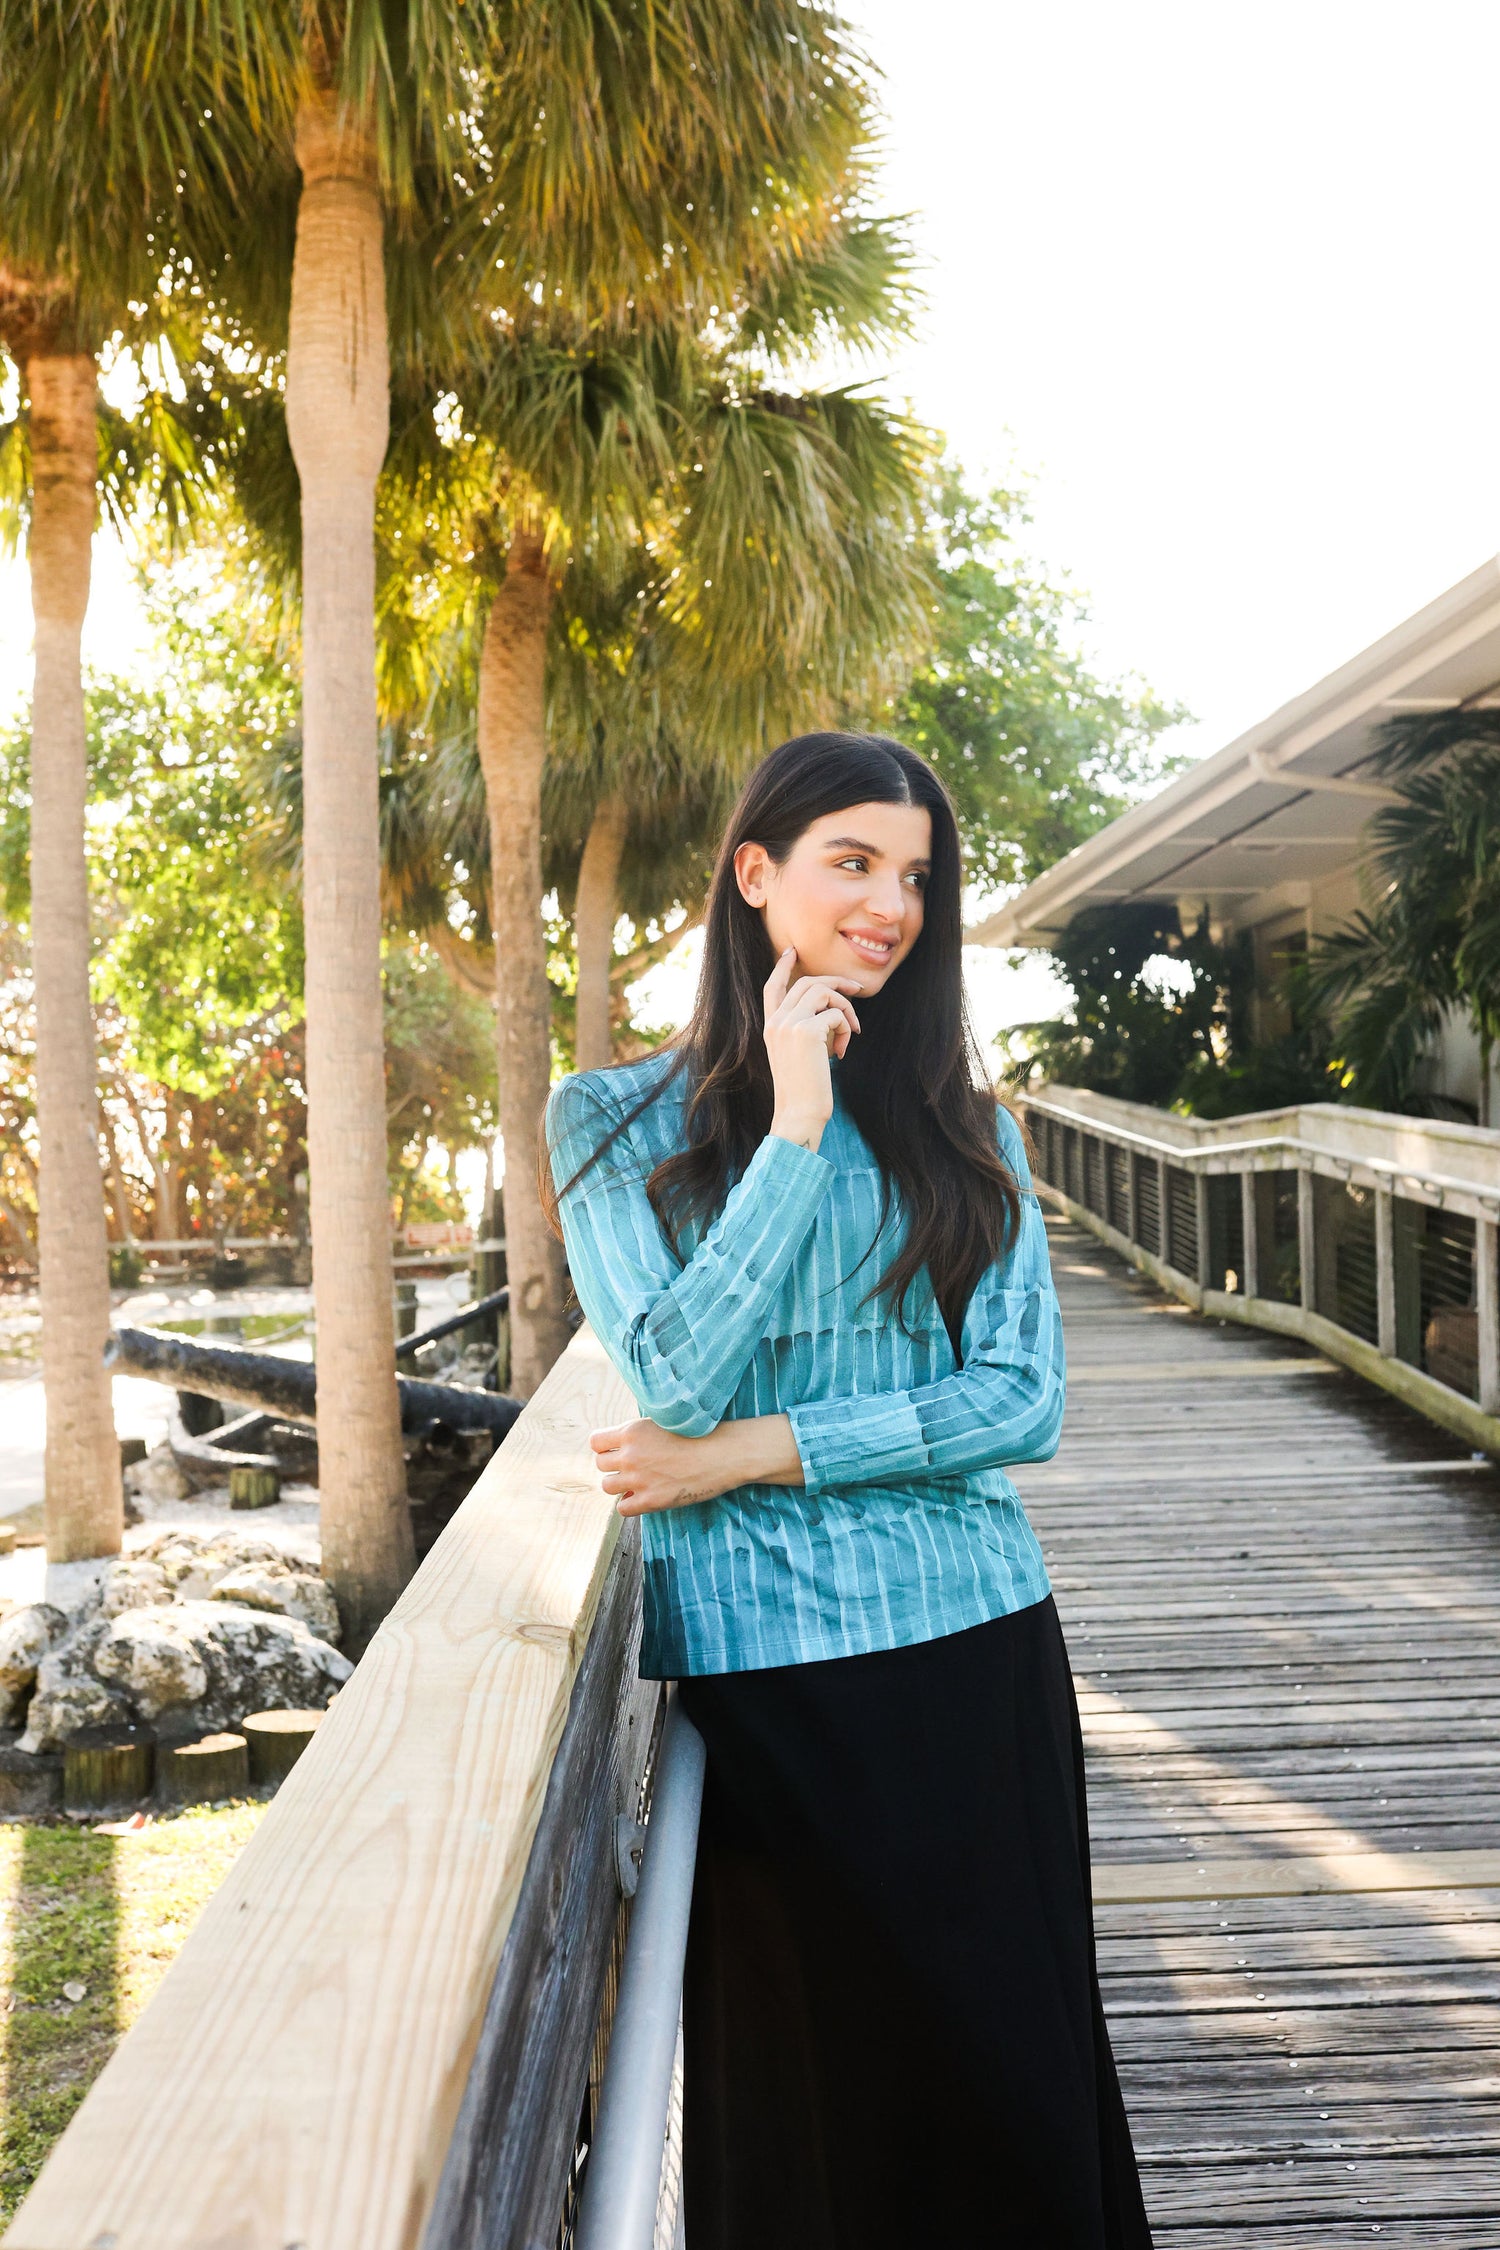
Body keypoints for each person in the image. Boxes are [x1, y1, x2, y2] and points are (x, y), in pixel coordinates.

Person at [545, 732, 1152, 2250]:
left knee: (1015, 2087)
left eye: (915, 877)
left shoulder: (966, 1123)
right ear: (757, 874)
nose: (891, 903)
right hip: (772, 1686)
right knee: (820, 2112)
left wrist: (759, 1451)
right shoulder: (612, 1121)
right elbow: (674, 1367)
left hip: (978, 1652)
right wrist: (799, 1126)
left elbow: (1024, 1399)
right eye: (854, 862)